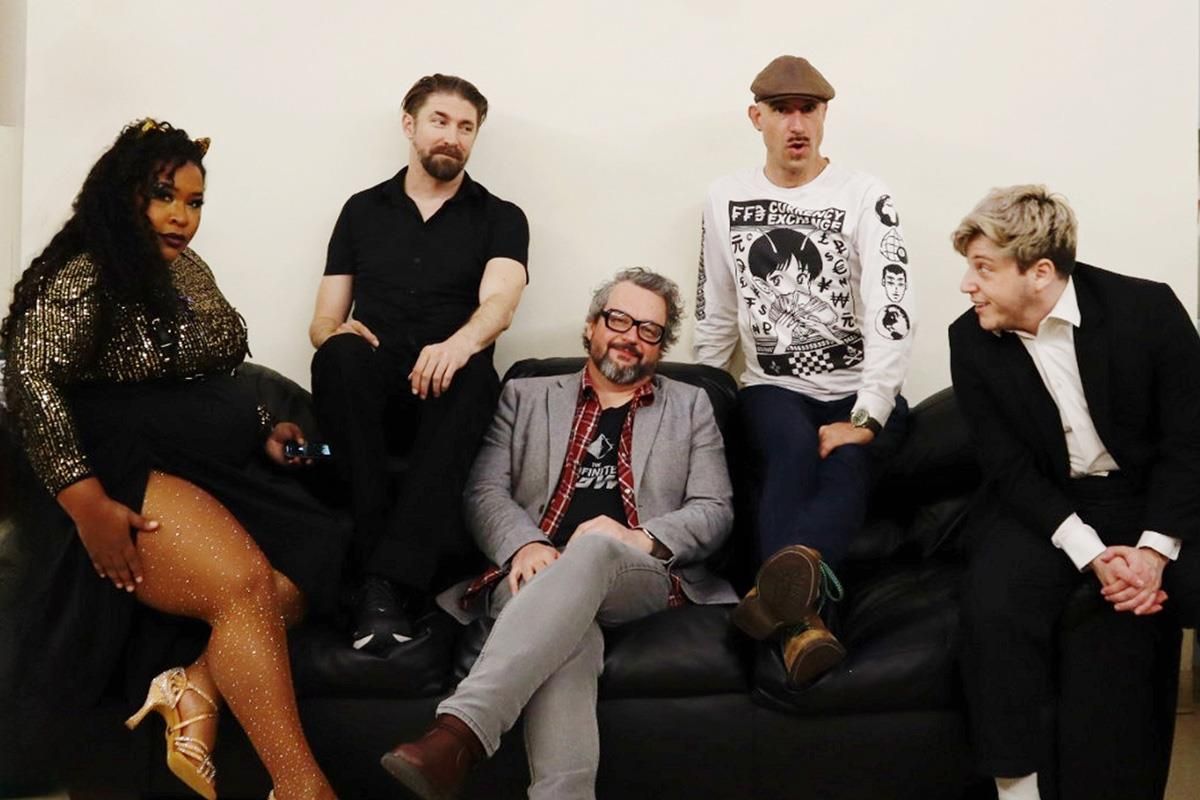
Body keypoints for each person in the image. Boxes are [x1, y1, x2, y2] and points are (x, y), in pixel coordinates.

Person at [1, 119, 344, 800]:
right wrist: (87, 504)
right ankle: (302, 788)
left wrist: (262, 426)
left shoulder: (188, 270)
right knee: (246, 586)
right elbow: (28, 379)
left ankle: (194, 688)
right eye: (164, 196)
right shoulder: (87, 271)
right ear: (123, 195)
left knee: (314, 561)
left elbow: (214, 375)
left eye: (194, 202)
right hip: (112, 465)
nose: (182, 216)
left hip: (197, 459)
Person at [379, 268, 736, 800]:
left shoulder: (691, 405)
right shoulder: (523, 396)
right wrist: (525, 543)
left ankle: (459, 733)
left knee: (594, 549)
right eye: (619, 320)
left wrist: (636, 537)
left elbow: (715, 509)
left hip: (634, 572)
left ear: (661, 346)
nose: (631, 337)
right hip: (531, 569)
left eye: (649, 330)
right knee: (571, 636)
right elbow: (483, 490)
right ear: (591, 326)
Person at [949, 185, 1200, 800]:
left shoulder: (1147, 309)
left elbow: (1190, 441)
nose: (967, 285)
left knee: (1139, 613)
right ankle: (1016, 790)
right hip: (1046, 502)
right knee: (993, 603)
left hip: (1150, 497)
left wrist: (1153, 552)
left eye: (983, 268)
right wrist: (1091, 553)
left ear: (1039, 272)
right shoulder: (970, 339)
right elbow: (1008, 468)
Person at [693, 54, 915, 686]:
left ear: (824, 116)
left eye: (809, 110)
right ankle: (802, 626)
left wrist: (867, 415)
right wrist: (700, 407)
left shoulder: (865, 195)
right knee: (790, 448)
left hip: (858, 389)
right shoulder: (725, 196)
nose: (797, 124)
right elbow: (716, 311)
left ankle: (777, 606)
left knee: (847, 460)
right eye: (782, 110)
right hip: (773, 387)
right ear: (756, 117)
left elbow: (892, 310)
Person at [308, 73, 529, 653]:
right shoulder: (361, 210)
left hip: (449, 391)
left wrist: (459, 344)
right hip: (370, 388)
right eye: (440, 121)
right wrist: (336, 332)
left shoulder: (501, 217)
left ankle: (382, 585)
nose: (453, 136)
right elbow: (322, 320)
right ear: (409, 126)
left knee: (476, 372)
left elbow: (501, 303)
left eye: (466, 127)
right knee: (338, 355)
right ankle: (382, 580)